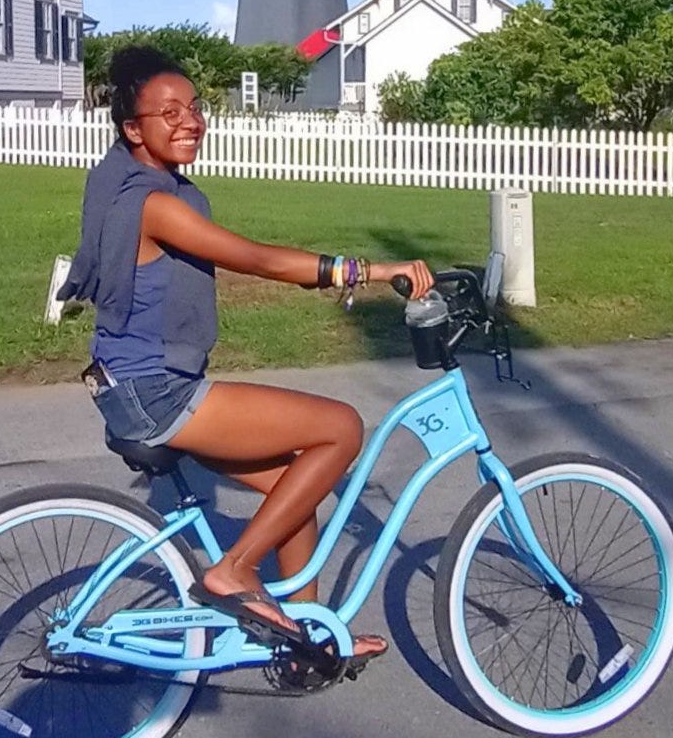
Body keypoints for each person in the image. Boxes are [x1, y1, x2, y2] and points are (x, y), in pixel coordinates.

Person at [60, 45, 434, 659]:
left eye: (194, 107)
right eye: (169, 113)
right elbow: (257, 260)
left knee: (295, 491)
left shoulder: (124, 182)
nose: (190, 121)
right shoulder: (154, 204)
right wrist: (368, 270)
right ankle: (232, 569)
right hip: (156, 392)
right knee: (341, 427)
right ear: (133, 129)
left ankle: (307, 642)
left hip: (129, 386)